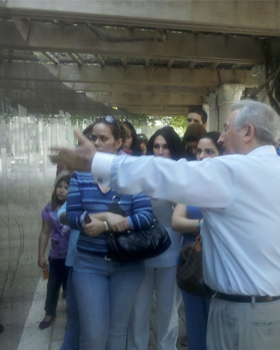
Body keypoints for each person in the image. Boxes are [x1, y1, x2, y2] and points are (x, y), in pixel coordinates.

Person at [50, 100, 280, 350]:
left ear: (248, 132)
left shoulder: (236, 170)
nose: (221, 138)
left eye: (226, 128)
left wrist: (97, 162)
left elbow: (168, 175)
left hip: (245, 317)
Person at [66, 115, 153, 350]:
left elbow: (146, 217)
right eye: (93, 137)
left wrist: (105, 225)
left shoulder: (133, 173)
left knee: (117, 334)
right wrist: (99, 217)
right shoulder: (81, 174)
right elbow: (72, 215)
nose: (95, 143)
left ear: (118, 143)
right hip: (88, 265)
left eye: (103, 138)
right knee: (94, 336)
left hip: (127, 265)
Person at [127, 126, 185, 350]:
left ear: (173, 150)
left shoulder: (182, 175)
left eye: (166, 147)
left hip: (171, 251)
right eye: (156, 146)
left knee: (167, 309)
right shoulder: (142, 175)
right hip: (143, 250)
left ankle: (167, 347)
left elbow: (186, 211)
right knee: (139, 308)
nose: (160, 151)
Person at [172, 131, 223, 350]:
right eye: (199, 151)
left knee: (218, 328)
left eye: (209, 151)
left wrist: (194, 224)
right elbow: (176, 221)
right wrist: (204, 225)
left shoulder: (228, 185)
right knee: (195, 325)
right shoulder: (190, 183)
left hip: (221, 263)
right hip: (190, 262)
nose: (202, 156)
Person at [38, 171, 71, 329]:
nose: (61, 190)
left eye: (66, 187)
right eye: (59, 186)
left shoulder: (74, 209)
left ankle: (72, 312)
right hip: (55, 256)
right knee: (52, 285)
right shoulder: (49, 209)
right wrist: (41, 255)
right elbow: (45, 232)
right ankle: (49, 312)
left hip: (72, 257)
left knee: (71, 285)